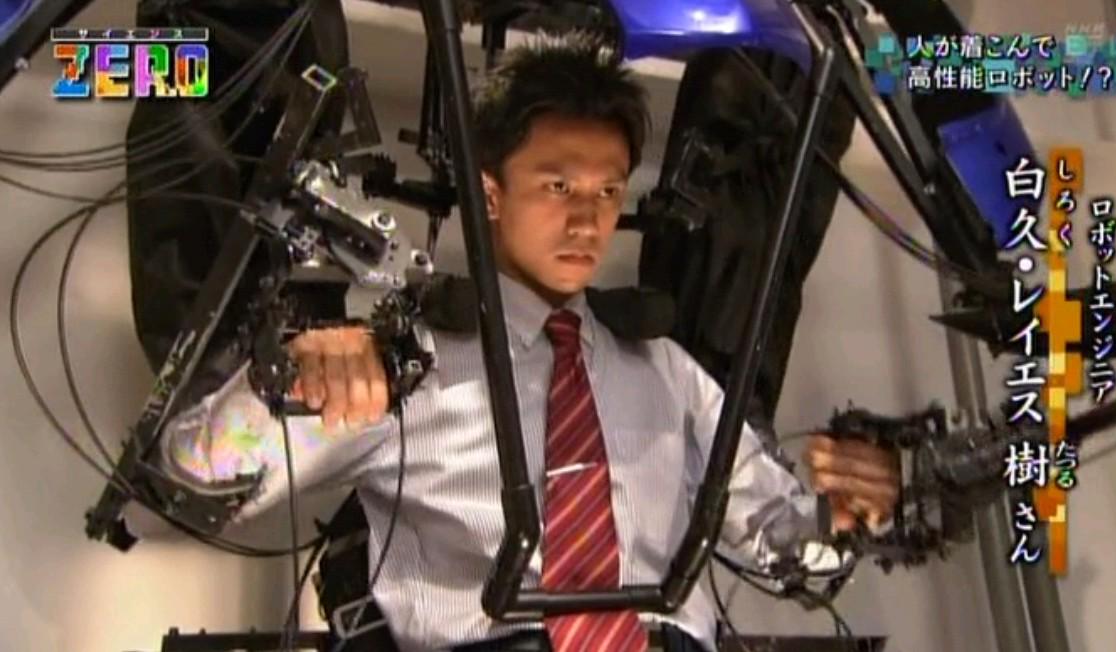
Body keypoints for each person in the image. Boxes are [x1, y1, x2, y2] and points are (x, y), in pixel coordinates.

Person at [151, 33, 900, 652]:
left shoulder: (669, 372)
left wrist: (851, 512)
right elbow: (196, 473)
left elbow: (787, 551)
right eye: (558, 186)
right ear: (491, 193)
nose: (587, 221)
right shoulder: (403, 361)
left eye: (607, 191)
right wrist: (291, 371)